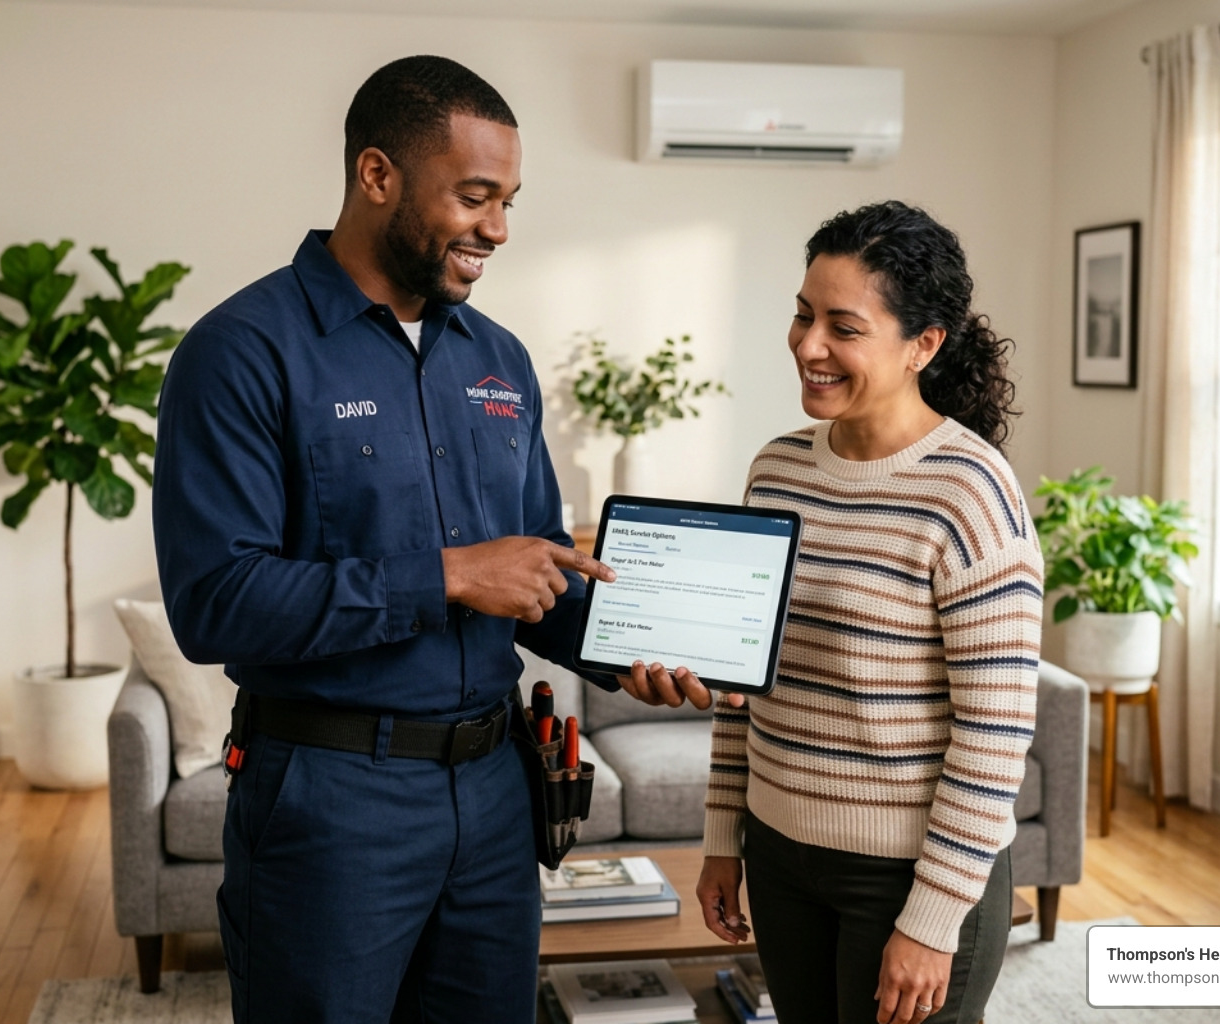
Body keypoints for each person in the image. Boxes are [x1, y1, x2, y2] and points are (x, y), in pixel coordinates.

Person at [152, 56, 707, 1024]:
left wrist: (633, 651)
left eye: (509, 200)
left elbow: (536, 572)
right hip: (329, 800)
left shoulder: (498, 360)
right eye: (475, 196)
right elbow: (216, 603)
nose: (497, 228)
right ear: (378, 175)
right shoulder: (239, 351)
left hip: (497, 797)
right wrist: (449, 576)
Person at [692, 201, 1041, 1024]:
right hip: (779, 859)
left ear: (923, 344)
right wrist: (721, 838)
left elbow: (994, 736)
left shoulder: (971, 493)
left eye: (842, 327)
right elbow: (743, 680)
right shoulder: (776, 470)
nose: (809, 345)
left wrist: (930, 921)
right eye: (803, 314)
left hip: (908, 879)